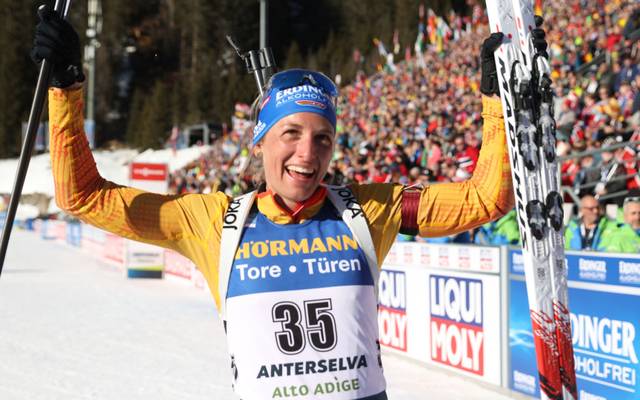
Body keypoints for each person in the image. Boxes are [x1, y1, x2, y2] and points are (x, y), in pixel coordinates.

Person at [31, 6, 548, 400]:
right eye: (291, 133)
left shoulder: (367, 211)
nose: (307, 153)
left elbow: (484, 199)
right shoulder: (213, 222)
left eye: (323, 138)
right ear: (259, 141)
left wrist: (498, 98)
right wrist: (67, 86)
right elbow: (84, 196)